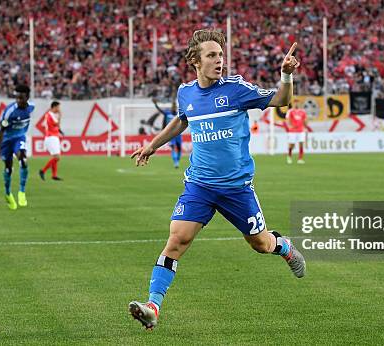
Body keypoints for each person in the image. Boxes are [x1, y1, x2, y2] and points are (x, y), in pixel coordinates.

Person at [128, 29, 305, 330]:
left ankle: (284, 246)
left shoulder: (236, 90)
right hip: (199, 185)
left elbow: (281, 99)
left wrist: (286, 75)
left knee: (260, 244)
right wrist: (153, 144)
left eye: (221, 55)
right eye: (212, 55)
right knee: (176, 240)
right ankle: (153, 306)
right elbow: (182, 119)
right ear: (195, 61)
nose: (219, 60)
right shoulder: (186, 93)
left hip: (236, 188)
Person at [0, 85, 35, 210]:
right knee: (8, 169)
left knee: (23, 159)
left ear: (27, 97)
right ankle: (8, 193)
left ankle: (21, 192)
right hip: (6, 141)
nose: (18, 100)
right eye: (16, 97)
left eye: (21, 98)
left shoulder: (31, 107)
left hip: (19, 138)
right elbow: (1, 132)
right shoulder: (9, 112)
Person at [152, 97, 182, 168]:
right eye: (173, 107)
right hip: (170, 134)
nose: (173, 108)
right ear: (172, 107)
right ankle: (176, 162)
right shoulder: (167, 113)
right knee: (173, 147)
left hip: (178, 133)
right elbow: (160, 110)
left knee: (179, 148)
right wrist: (156, 104)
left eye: (174, 107)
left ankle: (177, 160)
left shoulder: (179, 114)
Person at [39, 101, 64, 181]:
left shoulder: (50, 115)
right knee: (57, 157)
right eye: (58, 107)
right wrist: (60, 116)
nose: (59, 109)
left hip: (52, 137)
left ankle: (54, 175)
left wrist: (59, 131)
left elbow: (55, 126)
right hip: (51, 137)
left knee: (55, 157)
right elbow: (57, 124)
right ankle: (43, 170)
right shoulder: (50, 115)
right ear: (55, 107)